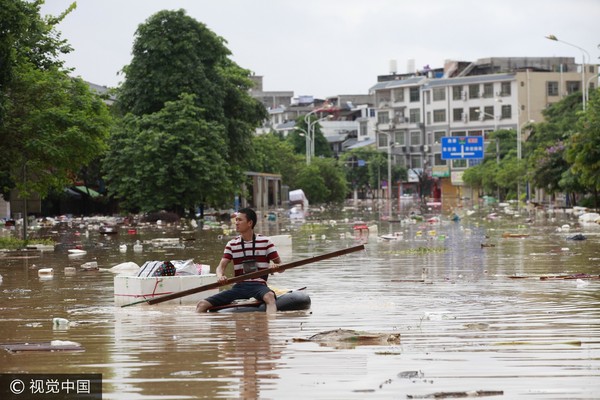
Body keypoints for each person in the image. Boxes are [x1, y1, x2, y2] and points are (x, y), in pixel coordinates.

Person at [196, 208, 282, 314]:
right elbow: (220, 267)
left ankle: (268, 327)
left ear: (250, 223)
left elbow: (280, 265)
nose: (236, 223)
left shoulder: (266, 242)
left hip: (259, 286)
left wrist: (275, 267)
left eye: (240, 220)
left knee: (269, 297)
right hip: (239, 286)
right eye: (236, 220)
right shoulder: (232, 244)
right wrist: (220, 276)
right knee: (202, 304)